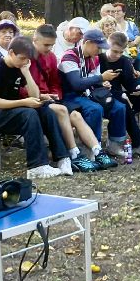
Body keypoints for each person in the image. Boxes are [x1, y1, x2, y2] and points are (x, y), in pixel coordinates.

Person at [0, 35, 61, 181]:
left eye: (27, 60)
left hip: (13, 112)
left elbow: (35, 96)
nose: (24, 62)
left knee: (46, 110)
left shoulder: (20, 67)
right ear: (11, 52)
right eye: (22, 58)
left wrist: (27, 73)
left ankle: (62, 157)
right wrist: (24, 102)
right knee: (29, 113)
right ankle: (36, 166)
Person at [29, 23, 99, 173]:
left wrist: (56, 95)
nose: (49, 48)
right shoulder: (25, 57)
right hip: (33, 99)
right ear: (34, 40)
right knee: (62, 111)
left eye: (52, 45)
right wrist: (42, 96)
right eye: (46, 45)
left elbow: (55, 82)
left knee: (75, 115)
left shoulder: (51, 57)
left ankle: (97, 151)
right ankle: (71, 154)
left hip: (51, 99)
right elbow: (22, 86)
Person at [59, 29, 124, 168]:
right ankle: (92, 147)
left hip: (88, 93)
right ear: (87, 42)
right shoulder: (69, 57)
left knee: (119, 107)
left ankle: (115, 143)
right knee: (95, 109)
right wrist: (100, 78)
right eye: (98, 47)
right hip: (70, 96)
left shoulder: (94, 58)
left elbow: (93, 78)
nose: (100, 51)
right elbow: (76, 83)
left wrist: (102, 82)